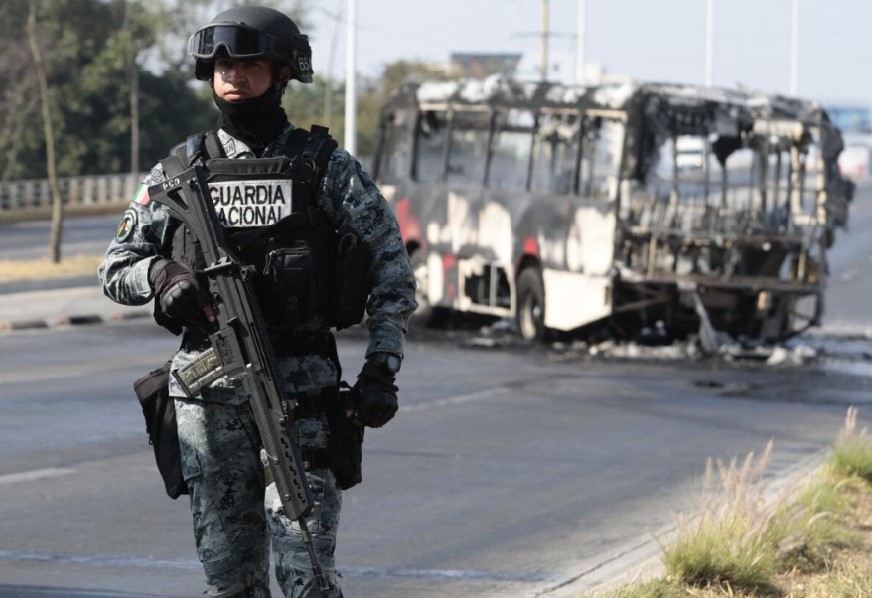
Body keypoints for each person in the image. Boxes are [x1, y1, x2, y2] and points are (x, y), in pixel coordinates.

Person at [98, 6, 417, 597]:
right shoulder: (177, 171)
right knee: (230, 581)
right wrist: (165, 275)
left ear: (283, 71)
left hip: (302, 400)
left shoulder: (325, 170)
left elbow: (392, 273)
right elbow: (115, 267)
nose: (233, 75)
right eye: (221, 63)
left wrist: (382, 368)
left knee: (308, 574)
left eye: (248, 63)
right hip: (208, 405)